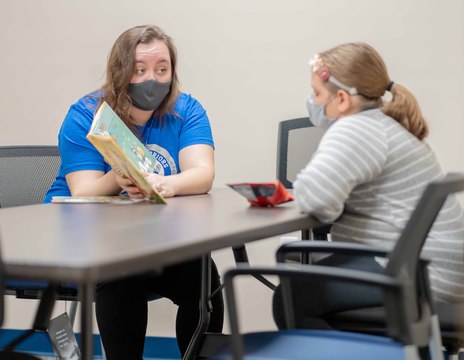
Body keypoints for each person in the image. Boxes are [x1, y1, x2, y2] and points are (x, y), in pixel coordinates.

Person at [43, 25, 224, 359]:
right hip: (91, 240)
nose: (151, 79)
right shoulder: (85, 114)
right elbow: (83, 192)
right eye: (139, 70)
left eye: (162, 69)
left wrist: (166, 184)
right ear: (120, 72)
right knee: (121, 274)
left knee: (203, 275)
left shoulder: (186, 110)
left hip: (155, 238)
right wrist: (119, 177)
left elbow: (202, 173)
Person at [272, 42, 464, 330]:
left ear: (341, 99)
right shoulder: (383, 124)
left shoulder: (355, 128)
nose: (312, 101)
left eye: (316, 94)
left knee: (289, 296)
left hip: (416, 273)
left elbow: (316, 201)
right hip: (433, 269)